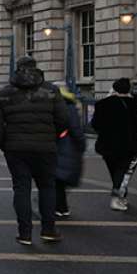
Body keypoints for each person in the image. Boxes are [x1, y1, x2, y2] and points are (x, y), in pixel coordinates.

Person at [0, 56, 67, 244]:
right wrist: (53, 138)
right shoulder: (51, 91)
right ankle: (48, 229)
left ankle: (24, 233)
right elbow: (62, 120)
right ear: (36, 68)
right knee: (47, 187)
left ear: (17, 69)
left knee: (21, 188)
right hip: (46, 147)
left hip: (16, 148)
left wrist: (5, 144)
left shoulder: (3, 94)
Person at [91, 77, 137, 212]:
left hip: (107, 145)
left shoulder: (102, 104)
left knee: (115, 171)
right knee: (123, 171)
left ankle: (121, 196)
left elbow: (95, 125)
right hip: (129, 145)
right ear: (128, 89)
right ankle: (116, 197)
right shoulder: (134, 104)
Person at [54, 83, 86, 218]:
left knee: (56, 179)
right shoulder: (69, 106)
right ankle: (61, 207)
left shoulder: (50, 105)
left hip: (55, 146)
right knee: (59, 179)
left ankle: (59, 207)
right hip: (67, 145)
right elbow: (76, 129)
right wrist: (82, 145)